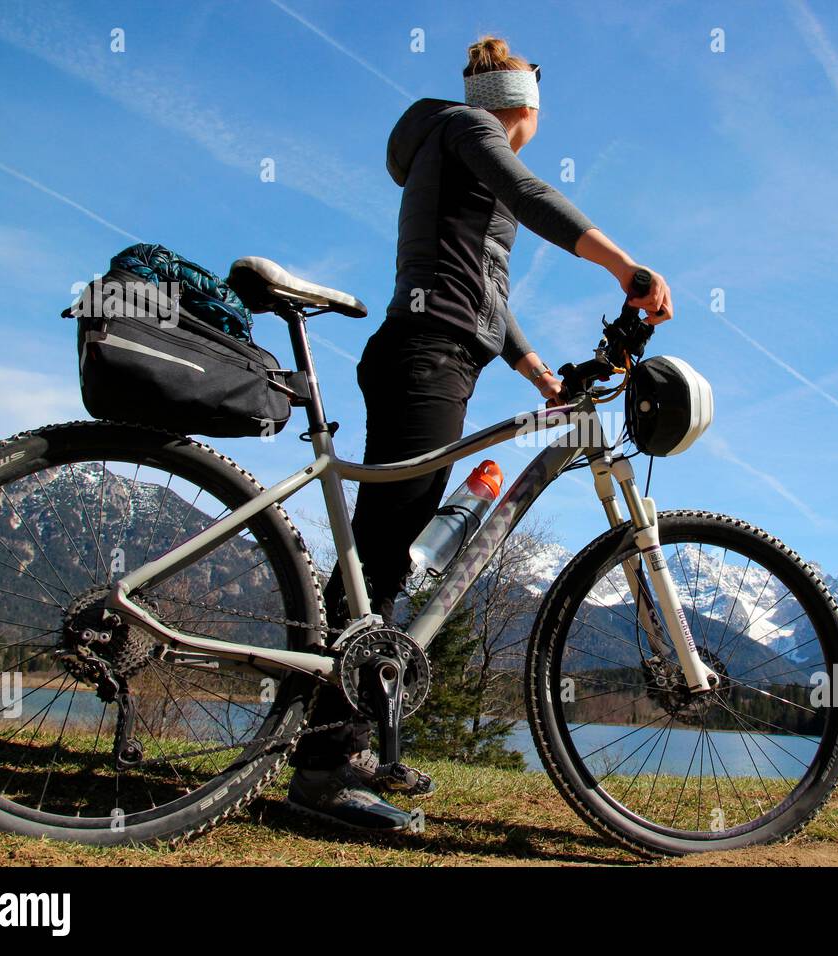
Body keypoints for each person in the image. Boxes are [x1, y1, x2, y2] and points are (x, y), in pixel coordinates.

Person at [286, 35, 673, 831]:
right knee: (386, 545)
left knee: (383, 549)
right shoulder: (472, 130)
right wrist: (623, 266)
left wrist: (535, 372)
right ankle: (323, 769)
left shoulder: (453, 145)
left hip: (437, 352)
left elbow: (482, 281)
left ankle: (345, 744)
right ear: (524, 103)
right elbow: (530, 194)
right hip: (426, 358)